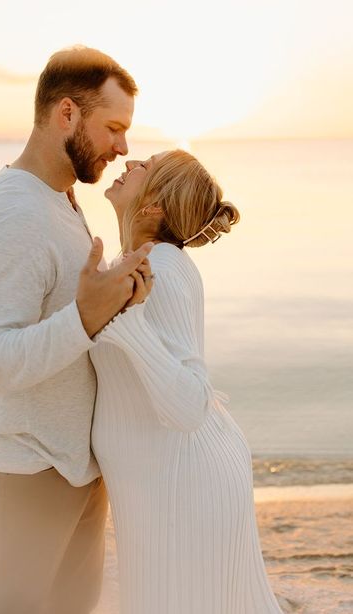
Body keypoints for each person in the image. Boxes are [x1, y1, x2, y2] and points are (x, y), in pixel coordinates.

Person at [0, 46, 154, 614]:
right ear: (67, 114)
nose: (123, 147)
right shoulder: (14, 215)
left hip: (69, 467)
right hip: (22, 472)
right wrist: (86, 318)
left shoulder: (60, 198)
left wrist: (118, 289)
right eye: (113, 127)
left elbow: (62, 300)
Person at [90, 149, 284, 614]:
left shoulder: (161, 270)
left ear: (155, 206)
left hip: (184, 484)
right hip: (162, 480)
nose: (130, 162)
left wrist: (125, 327)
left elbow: (189, 404)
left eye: (144, 167)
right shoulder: (140, 262)